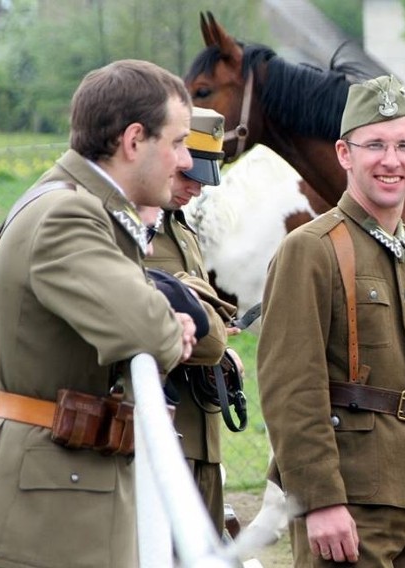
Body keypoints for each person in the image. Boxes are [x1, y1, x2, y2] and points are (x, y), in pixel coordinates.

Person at [0, 59, 198, 568]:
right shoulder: (69, 213)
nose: (186, 160)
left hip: (66, 484)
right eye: (176, 142)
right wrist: (172, 327)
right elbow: (146, 327)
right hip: (54, 498)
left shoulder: (78, 204)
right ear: (133, 141)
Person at [257, 75, 405, 567]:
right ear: (345, 154)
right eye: (375, 145)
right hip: (350, 499)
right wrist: (320, 499)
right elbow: (291, 388)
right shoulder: (311, 249)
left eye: (404, 146)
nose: (391, 160)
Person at [143, 106, 241, 537]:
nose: (197, 188)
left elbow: (201, 318)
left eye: (203, 177)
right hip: (161, 436)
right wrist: (212, 331)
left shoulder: (180, 229)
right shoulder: (135, 230)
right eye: (188, 175)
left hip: (202, 435)